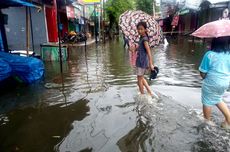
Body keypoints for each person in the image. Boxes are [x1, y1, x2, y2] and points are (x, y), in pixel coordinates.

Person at [199, 37, 230, 129]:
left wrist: (204, 77)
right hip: (225, 82)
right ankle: (228, 119)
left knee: (207, 101)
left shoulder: (209, 55)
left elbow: (203, 72)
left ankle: (207, 121)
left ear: (214, 42)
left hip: (212, 82)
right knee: (217, 98)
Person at [129, 22, 156, 97]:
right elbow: (140, 49)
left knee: (139, 80)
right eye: (138, 29)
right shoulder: (141, 38)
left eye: (141, 29)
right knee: (141, 77)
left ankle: (142, 94)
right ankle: (149, 91)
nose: (139, 31)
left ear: (145, 30)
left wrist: (151, 64)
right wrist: (133, 48)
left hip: (142, 62)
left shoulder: (144, 39)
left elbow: (148, 51)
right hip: (140, 61)